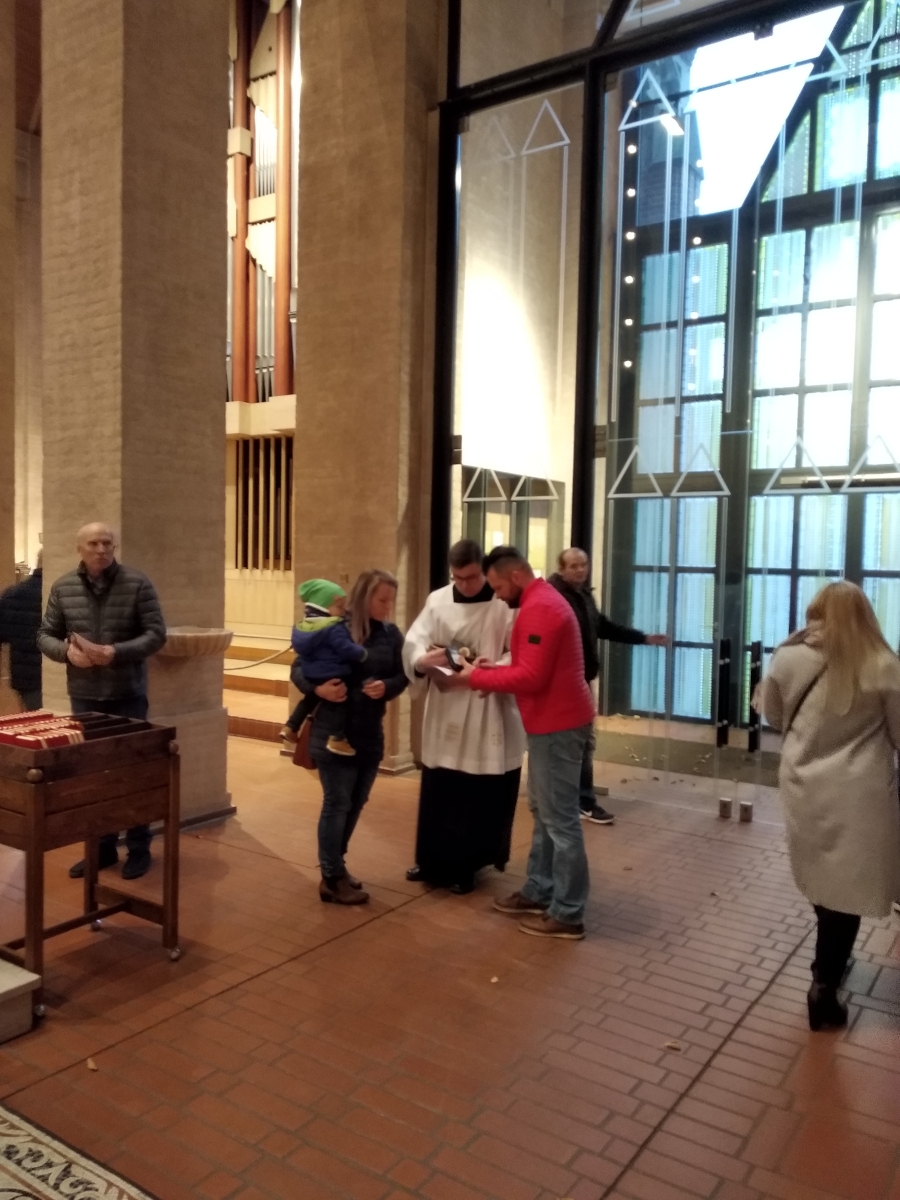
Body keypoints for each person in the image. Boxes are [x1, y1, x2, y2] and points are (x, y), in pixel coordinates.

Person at [759, 582, 900, 1031]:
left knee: (821, 874)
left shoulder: (788, 658)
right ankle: (824, 983)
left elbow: (774, 716)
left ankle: (828, 961)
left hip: (803, 784)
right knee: (848, 883)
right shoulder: (883, 664)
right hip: (861, 792)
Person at [450, 546, 595, 940]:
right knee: (544, 811)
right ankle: (539, 889)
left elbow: (532, 677)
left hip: (558, 726)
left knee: (560, 820)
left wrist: (474, 677)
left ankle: (568, 912)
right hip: (553, 722)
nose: (497, 596)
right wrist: (494, 668)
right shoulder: (540, 601)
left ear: (515, 577)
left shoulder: (540, 608)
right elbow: (532, 664)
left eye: (498, 587)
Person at [37, 523, 167, 881]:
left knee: (133, 773)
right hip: (85, 697)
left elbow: (156, 634)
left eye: (107, 543)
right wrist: (66, 653)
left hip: (128, 695)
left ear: (115, 546)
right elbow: (45, 635)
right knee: (93, 775)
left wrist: (115, 652)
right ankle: (101, 849)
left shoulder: (137, 583)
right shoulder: (63, 586)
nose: (101, 549)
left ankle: (138, 848)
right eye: (93, 543)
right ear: (79, 548)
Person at [402, 539, 526, 894]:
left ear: (484, 571)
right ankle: (431, 861)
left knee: (475, 792)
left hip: (485, 703)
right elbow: (415, 641)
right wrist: (422, 661)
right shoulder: (438, 599)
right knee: (440, 785)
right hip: (446, 704)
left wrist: (481, 672)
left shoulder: (503, 602)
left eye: (471, 577)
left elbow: (516, 653)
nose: (464, 585)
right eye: (457, 577)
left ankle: (467, 867)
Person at [294, 569, 408, 905]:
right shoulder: (334, 626)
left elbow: (402, 674)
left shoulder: (390, 634)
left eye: (391, 600)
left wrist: (387, 687)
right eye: (382, 599)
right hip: (333, 732)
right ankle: (330, 877)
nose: (388, 607)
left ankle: (337, 867)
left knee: (356, 802)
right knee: (337, 802)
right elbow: (298, 667)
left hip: (369, 731)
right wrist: (319, 689)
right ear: (364, 597)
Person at [549, 547, 668, 825]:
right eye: (574, 566)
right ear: (562, 569)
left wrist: (643, 638)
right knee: (578, 742)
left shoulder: (583, 595)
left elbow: (602, 626)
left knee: (582, 742)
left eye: (584, 564)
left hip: (582, 680)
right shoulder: (555, 598)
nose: (581, 569)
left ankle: (576, 799)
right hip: (566, 683)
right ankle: (582, 801)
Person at [281, 579, 366, 756]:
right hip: (334, 674)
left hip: (313, 673)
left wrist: (314, 689)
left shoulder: (303, 627)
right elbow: (346, 649)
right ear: (325, 608)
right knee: (342, 701)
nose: (343, 611)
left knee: (308, 700)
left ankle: (291, 726)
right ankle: (337, 738)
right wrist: (362, 653)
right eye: (339, 607)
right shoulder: (334, 627)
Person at [0, 554, 43, 712]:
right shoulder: (62, 594)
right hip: (60, 677)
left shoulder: (12, 594)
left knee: (33, 720)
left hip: (25, 678)